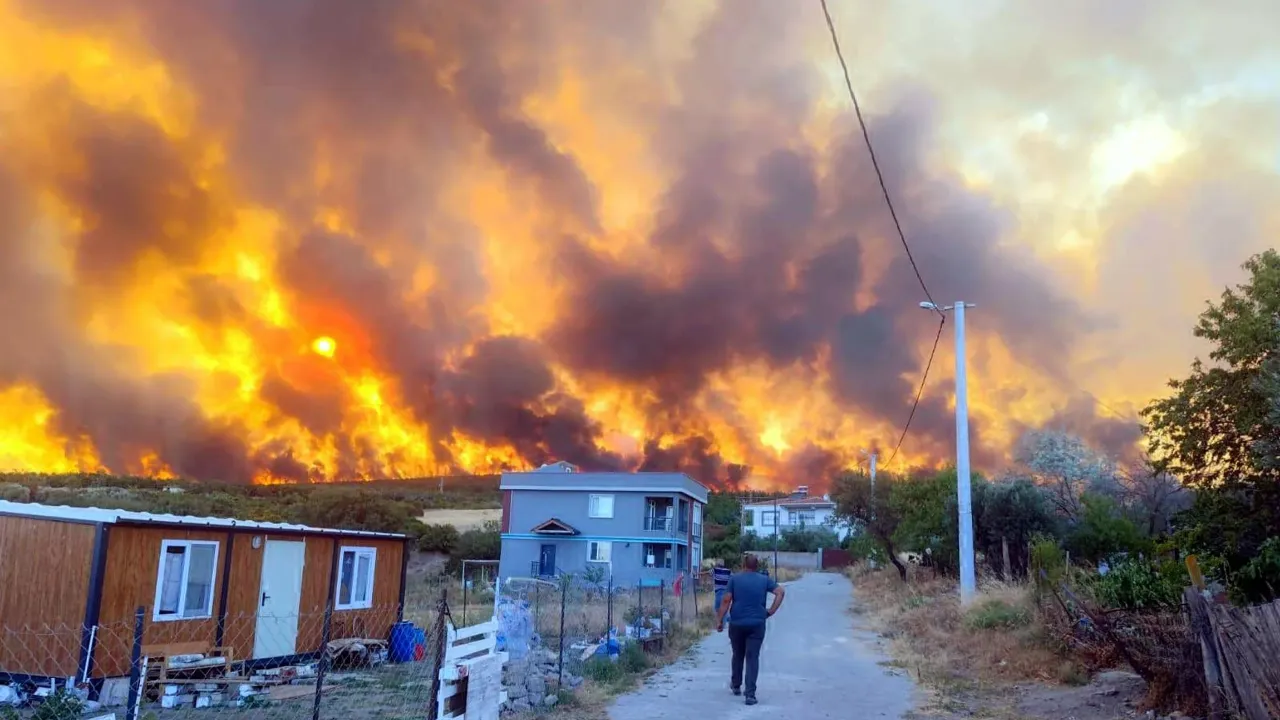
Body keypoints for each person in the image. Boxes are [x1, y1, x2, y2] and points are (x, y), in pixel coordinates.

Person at [715, 554, 785, 705]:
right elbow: (780, 592)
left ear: (743, 565)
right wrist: (770, 611)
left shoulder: (734, 579)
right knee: (753, 657)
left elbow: (726, 600)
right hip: (757, 624)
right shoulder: (764, 580)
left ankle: (736, 684)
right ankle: (750, 694)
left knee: (738, 654)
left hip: (737, 623)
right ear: (757, 566)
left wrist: (720, 620)